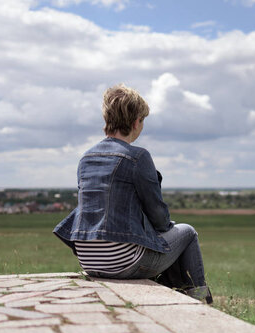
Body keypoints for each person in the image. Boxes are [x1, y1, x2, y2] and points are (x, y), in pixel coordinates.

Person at [53, 84, 212, 303]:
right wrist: (166, 228)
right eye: (143, 121)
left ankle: (174, 295)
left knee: (163, 239)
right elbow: (158, 216)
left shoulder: (86, 158)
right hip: (124, 261)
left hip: (88, 261)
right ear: (136, 122)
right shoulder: (138, 157)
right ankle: (198, 300)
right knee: (186, 232)